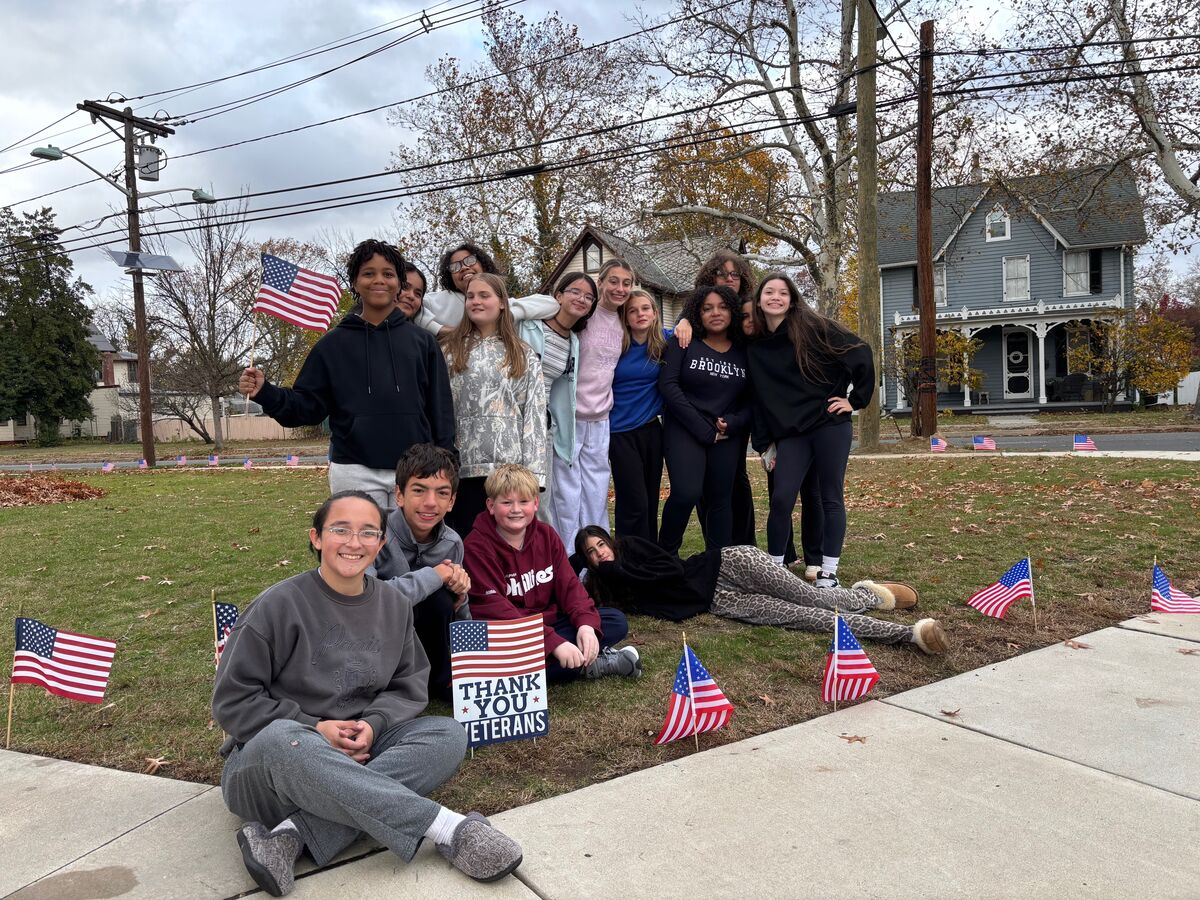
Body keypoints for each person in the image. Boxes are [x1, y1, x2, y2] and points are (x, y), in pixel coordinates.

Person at [213, 491, 523, 897]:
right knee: (281, 740)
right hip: (272, 768)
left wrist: (373, 727)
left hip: (361, 749)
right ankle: (447, 827)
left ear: (381, 544)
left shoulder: (393, 605)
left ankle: (291, 835)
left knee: (448, 736)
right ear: (317, 538)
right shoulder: (276, 606)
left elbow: (408, 683)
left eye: (367, 533)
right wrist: (315, 729)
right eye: (340, 530)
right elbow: (232, 701)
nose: (354, 543)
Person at [238, 240, 454, 512]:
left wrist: (446, 462)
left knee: (414, 553)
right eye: (368, 273)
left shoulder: (423, 343)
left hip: (417, 471)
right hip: (353, 469)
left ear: (399, 283)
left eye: (388, 274)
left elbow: (441, 411)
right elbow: (307, 407)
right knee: (360, 552)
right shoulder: (332, 346)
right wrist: (265, 392)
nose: (379, 280)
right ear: (354, 281)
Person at [575, 526, 947, 653]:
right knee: (810, 618)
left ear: (610, 541)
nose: (599, 553)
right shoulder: (611, 590)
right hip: (720, 601)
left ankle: (867, 595)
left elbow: (670, 571)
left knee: (812, 595)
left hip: (728, 563)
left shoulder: (632, 550)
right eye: (591, 553)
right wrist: (605, 577)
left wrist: (620, 567)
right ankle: (909, 636)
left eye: (600, 544)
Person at [748, 272, 875, 587]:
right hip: (792, 434)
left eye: (783, 292)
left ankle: (828, 571)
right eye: (769, 292)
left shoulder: (814, 328)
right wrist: (764, 444)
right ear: (759, 300)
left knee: (830, 497)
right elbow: (759, 398)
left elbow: (861, 351)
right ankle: (775, 570)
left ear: (792, 299)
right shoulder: (756, 347)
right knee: (781, 499)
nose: (776, 297)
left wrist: (854, 400)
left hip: (829, 425)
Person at [463, 464, 641, 682]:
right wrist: (552, 643)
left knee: (614, 621)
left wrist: (586, 625)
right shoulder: (476, 546)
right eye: (506, 502)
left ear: (536, 503)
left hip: (550, 623)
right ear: (491, 505)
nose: (516, 509)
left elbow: (570, 587)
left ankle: (559, 664)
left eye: (524, 502)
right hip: (510, 634)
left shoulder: (546, 535)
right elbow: (495, 610)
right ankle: (586, 665)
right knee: (491, 656)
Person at [440, 273, 546, 541]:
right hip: (463, 468)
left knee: (507, 545)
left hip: (508, 471)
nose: (475, 301)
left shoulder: (523, 354)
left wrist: (533, 478)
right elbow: (441, 410)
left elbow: (533, 416)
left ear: (502, 303)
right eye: (471, 296)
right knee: (468, 543)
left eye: (484, 295)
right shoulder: (448, 352)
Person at [657, 284, 751, 555]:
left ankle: (717, 564)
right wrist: (703, 429)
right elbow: (668, 386)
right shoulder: (684, 341)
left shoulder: (743, 350)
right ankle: (666, 556)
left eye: (722, 307)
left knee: (721, 500)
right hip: (685, 429)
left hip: (726, 434)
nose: (715, 313)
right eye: (707, 308)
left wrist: (733, 422)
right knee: (686, 493)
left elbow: (752, 399)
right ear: (698, 313)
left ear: (732, 311)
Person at [372, 444, 470, 701]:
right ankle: (390, 684)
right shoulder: (373, 533)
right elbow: (366, 600)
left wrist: (461, 596)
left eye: (441, 493)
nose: (430, 503)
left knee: (442, 599)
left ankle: (438, 681)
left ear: (452, 502)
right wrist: (436, 574)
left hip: (427, 641)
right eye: (418, 490)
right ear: (399, 495)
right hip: (376, 641)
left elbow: (457, 611)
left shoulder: (452, 542)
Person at [556, 258, 635, 551]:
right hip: (569, 419)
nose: (619, 288)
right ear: (600, 282)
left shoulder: (624, 320)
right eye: (613, 281)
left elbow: (650, 324)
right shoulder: (583, 314)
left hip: (601, 420)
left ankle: (597, 561)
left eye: (626, 283)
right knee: (566, 495)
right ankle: (568, 559)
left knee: (596, 494)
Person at [518, 272, 597, 540]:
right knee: (507, 494)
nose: (581, 299)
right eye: (574, 291)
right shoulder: (527, 325)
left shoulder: (573, 341)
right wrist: (546, 304)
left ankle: (544, 562)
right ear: (558, 295)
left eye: (588, 296)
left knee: (539, 497)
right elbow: (506, 307)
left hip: (543, 426)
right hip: (510, 420)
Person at [607, 288, 667, 542]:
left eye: (645, 308)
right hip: (620, 432)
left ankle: (649, 557)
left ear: (654, 313)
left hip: (652, 430)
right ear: (625, 317)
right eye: (632, 310)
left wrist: (685, 321)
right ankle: (627, 557)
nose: (639, 314)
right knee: (634, 501)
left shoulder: (666, 341)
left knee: (651, 500)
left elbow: (694, 326)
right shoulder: (616, 345)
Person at [415, 242, 558, 336]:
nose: (464, 267)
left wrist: (508, 315)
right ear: (450, 276)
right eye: (455, 267)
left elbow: (551, 304)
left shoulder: (499, 304)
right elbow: (411, 311)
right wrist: (441, 330)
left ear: (483, 264)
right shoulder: (436, 301)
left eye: (470, 260)